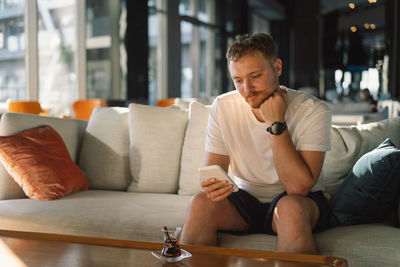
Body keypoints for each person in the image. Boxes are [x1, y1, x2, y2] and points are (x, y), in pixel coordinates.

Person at [180, 33, 332, 254]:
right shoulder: (223, 106)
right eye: (238, 80)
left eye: (255, 76)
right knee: (200, 203)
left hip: (299, 201)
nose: (247, 90)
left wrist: (276, 122)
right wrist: (213, 186)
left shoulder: (312, 110)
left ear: (277, 67)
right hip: (246, 200)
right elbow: (214, 171)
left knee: (289, 210)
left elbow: (298, 187)